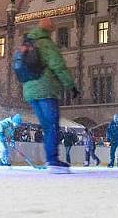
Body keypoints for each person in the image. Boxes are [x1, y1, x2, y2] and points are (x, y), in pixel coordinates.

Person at [20, 17, 79, 173]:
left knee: (47, 127)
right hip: (46, 90)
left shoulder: (27, 43)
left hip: (30, 92)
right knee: (52, 126)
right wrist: (71, 86)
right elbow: (58, 66)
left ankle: (51, 159)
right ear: (49, 30)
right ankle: (52, 161)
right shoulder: (46, 44)